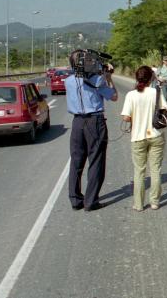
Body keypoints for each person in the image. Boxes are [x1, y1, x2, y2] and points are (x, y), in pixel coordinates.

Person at [65, 49, 118, 211]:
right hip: (94, 121)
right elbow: (114, 96)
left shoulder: (68, 80)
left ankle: (75, 200)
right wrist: (108, 78)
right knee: (96, 161)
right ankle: (91, 201)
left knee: (76, 162)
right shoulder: (97, 80)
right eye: (88, 60)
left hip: (77, 123)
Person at [121, 66, 167, 211]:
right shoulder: (156, 92)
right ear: (151, 78)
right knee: (155, 170)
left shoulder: (131, 95)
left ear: (137, 78)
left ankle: (138, 204)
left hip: (138, 137)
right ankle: (154, 202)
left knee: (139, 171)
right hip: (156, 135)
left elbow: (126, 117)